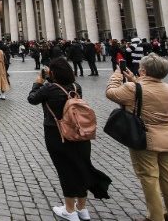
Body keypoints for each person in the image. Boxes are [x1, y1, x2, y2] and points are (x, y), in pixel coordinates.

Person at [28, 57, 111, 221]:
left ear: (53, 73)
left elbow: (32, 99)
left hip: (57, 135)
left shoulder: (49, 88)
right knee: (81, 168)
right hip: (79, 134)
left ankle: (69, 210)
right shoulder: (76, 86)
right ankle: (82, 208)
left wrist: (38, 82)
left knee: (65, 171)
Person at [105, 53, 168, 221]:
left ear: (144, 71)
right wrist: (134, 79)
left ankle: (155, 217)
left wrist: (117, 74)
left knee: (149, 178)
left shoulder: (132, 88)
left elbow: (111, 92)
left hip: (146, 139)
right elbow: (148, 92)